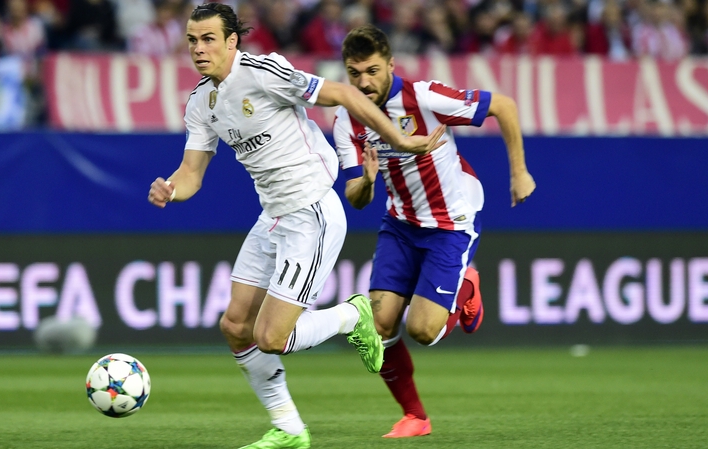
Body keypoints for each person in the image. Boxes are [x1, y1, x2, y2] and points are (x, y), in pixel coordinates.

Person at [146, 4, 446, 449]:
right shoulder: (200, 102)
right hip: (273, 216)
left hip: (312, 212)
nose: (199, 48)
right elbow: (191, 173)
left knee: (271, 337)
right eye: (192, 40)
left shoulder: (265, 72)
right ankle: (288, 428)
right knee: (235, 325)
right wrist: (170, 188)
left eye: (208, 38)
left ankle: (352, 315)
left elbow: (344, 95)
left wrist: (399, 140)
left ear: (232, 41)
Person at [332, 24, 536, 438]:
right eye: (354, 74)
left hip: (451, 222)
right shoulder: (345, 117)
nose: (364, 82)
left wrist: (519, 172)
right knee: (380, 326)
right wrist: (367, 180)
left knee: (423, 331)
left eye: (372, 70)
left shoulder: (423, 98)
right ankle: (416, 417)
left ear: (391, 64)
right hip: (401, 223)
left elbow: (505, 106)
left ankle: (467, 290)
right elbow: (355, 195)